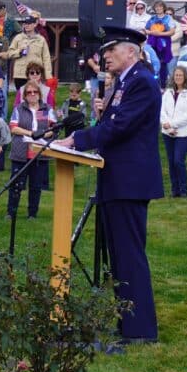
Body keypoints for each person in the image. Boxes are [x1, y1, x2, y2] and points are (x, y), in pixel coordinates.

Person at [55, 27, 163, 344]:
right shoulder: (124, 82)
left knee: (129, 255)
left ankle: (140, 329)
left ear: (131, 51)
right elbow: (111, 123)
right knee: (119, 257)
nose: (105, 56)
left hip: (130, 181)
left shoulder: (141, 82)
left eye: (111, 50)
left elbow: (120, 127)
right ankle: (127, 323)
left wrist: (77, 139)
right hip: (115, 178)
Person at [7, 80, 59, 219]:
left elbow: (54, 129)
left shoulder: (47, 109)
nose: (32, 94)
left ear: (39, 94)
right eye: (29, 92)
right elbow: (13, 127)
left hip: (39, 153)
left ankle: (32, 214)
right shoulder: (19, 109)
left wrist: (42, 135)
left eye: (35, 92)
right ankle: (11, 213)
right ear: (24, 95)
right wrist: (31, 134)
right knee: (16, 185)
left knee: (35, 186)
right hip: (21, 151)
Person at [160, 67, 187, 198]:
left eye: (181, 75)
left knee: (178, 160)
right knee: (171, 161)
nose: (178, 77)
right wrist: (167, 126)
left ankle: (183, 190)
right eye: (176, 75)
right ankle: (174, 190)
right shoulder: (168, 93)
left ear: (185, 77)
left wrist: (173, 124)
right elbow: (162, 110)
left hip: (183, 133)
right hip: (167, 132)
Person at [4, 16, 52, 90]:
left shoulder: (41, 40)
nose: (26, 25)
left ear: (35, 24)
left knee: (35, 96)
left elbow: (46, 58)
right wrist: (19, 51)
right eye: (25, 23)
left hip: (35, 74)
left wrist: (48, 76)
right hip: (20, 75)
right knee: (21, 98)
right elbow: (9, 53)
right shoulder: (18, 38)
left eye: (29, 23)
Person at [144, 0, 176, 88]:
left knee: (162, 64)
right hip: (152, 43)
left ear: (163, 7)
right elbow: (145, 30)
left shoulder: (168, 18)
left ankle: (162, 86)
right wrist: (151, 32)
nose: (158, 8)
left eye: (160, 6)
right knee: (153, 63)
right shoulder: (152, 18)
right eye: (156, 7)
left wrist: (160, 34)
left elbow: (172, 32)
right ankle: (153, 85)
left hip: (164, 44)